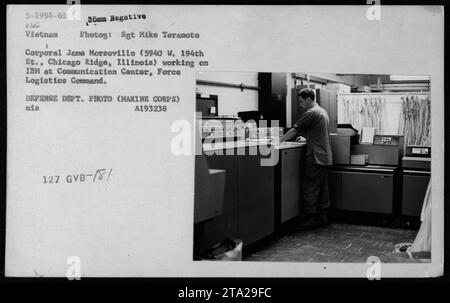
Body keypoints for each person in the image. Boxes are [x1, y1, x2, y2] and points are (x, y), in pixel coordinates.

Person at [280, 88, 333, 229]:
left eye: (301, 101)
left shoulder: (311, 112)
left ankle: (310, 220)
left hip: (315, 156)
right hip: (325, 156)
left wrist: (278, 141)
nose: (300, 104)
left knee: (310, 187)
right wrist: (307, 138)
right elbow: (317, 132)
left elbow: (294, 130)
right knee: (323, 188)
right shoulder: (322, 111)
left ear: (308, 99)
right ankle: (323, 217)